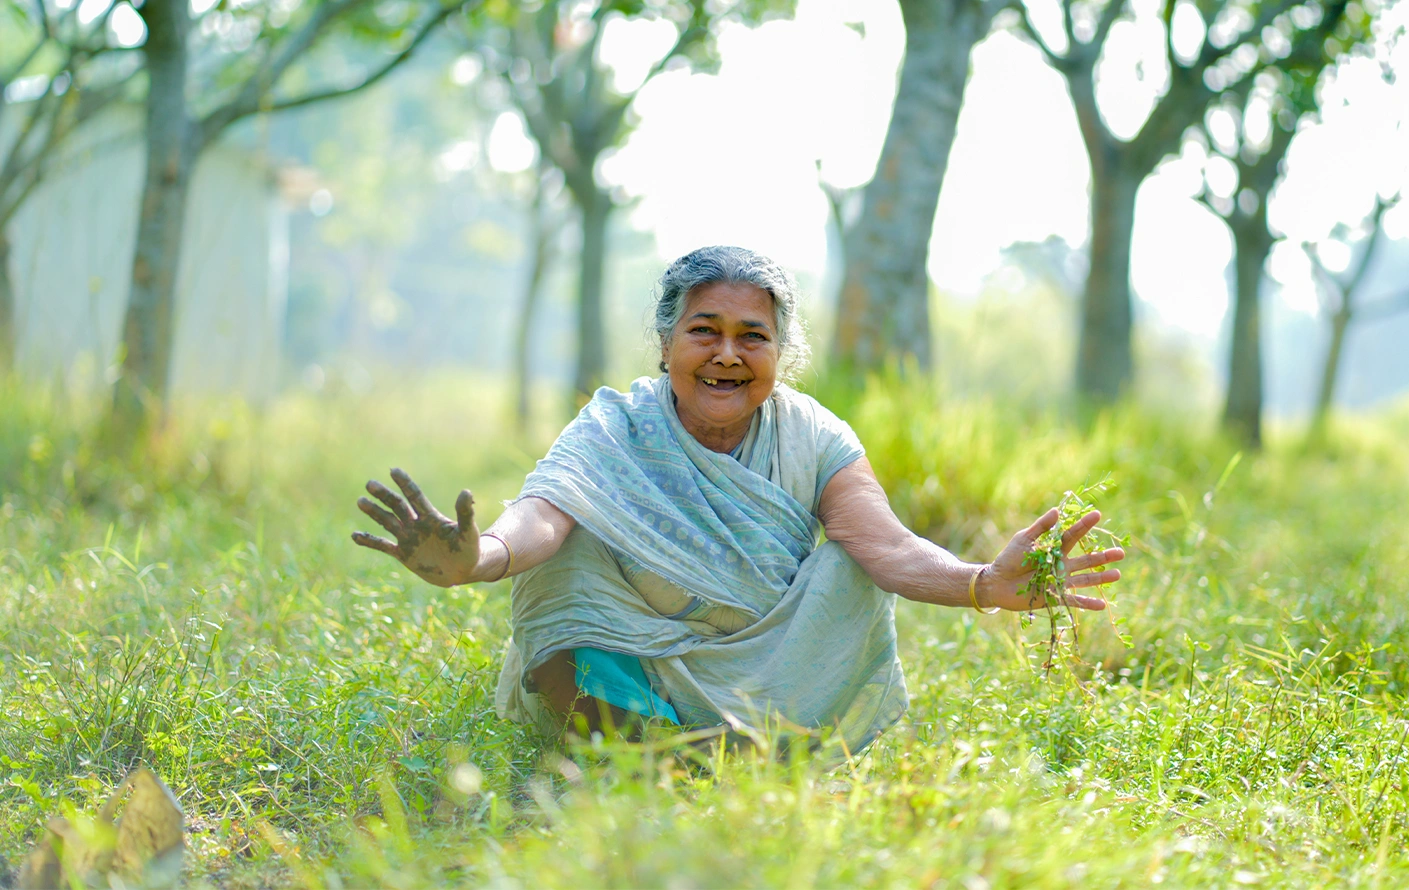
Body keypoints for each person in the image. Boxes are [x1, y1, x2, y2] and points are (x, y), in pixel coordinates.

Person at [351, 246, 1124, 752]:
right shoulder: (616, 423)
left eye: (751, 337)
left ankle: (750, 744)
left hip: (764, 666)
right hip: (625, 663)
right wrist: (478, 558)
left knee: (849, 568)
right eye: (704, 331)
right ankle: (636, 748)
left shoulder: (814, 436)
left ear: (780, 357)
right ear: (665, 345)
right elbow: (544, 516)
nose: (726, 354)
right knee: (567, 555)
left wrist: (983, 583)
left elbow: (887, 548)